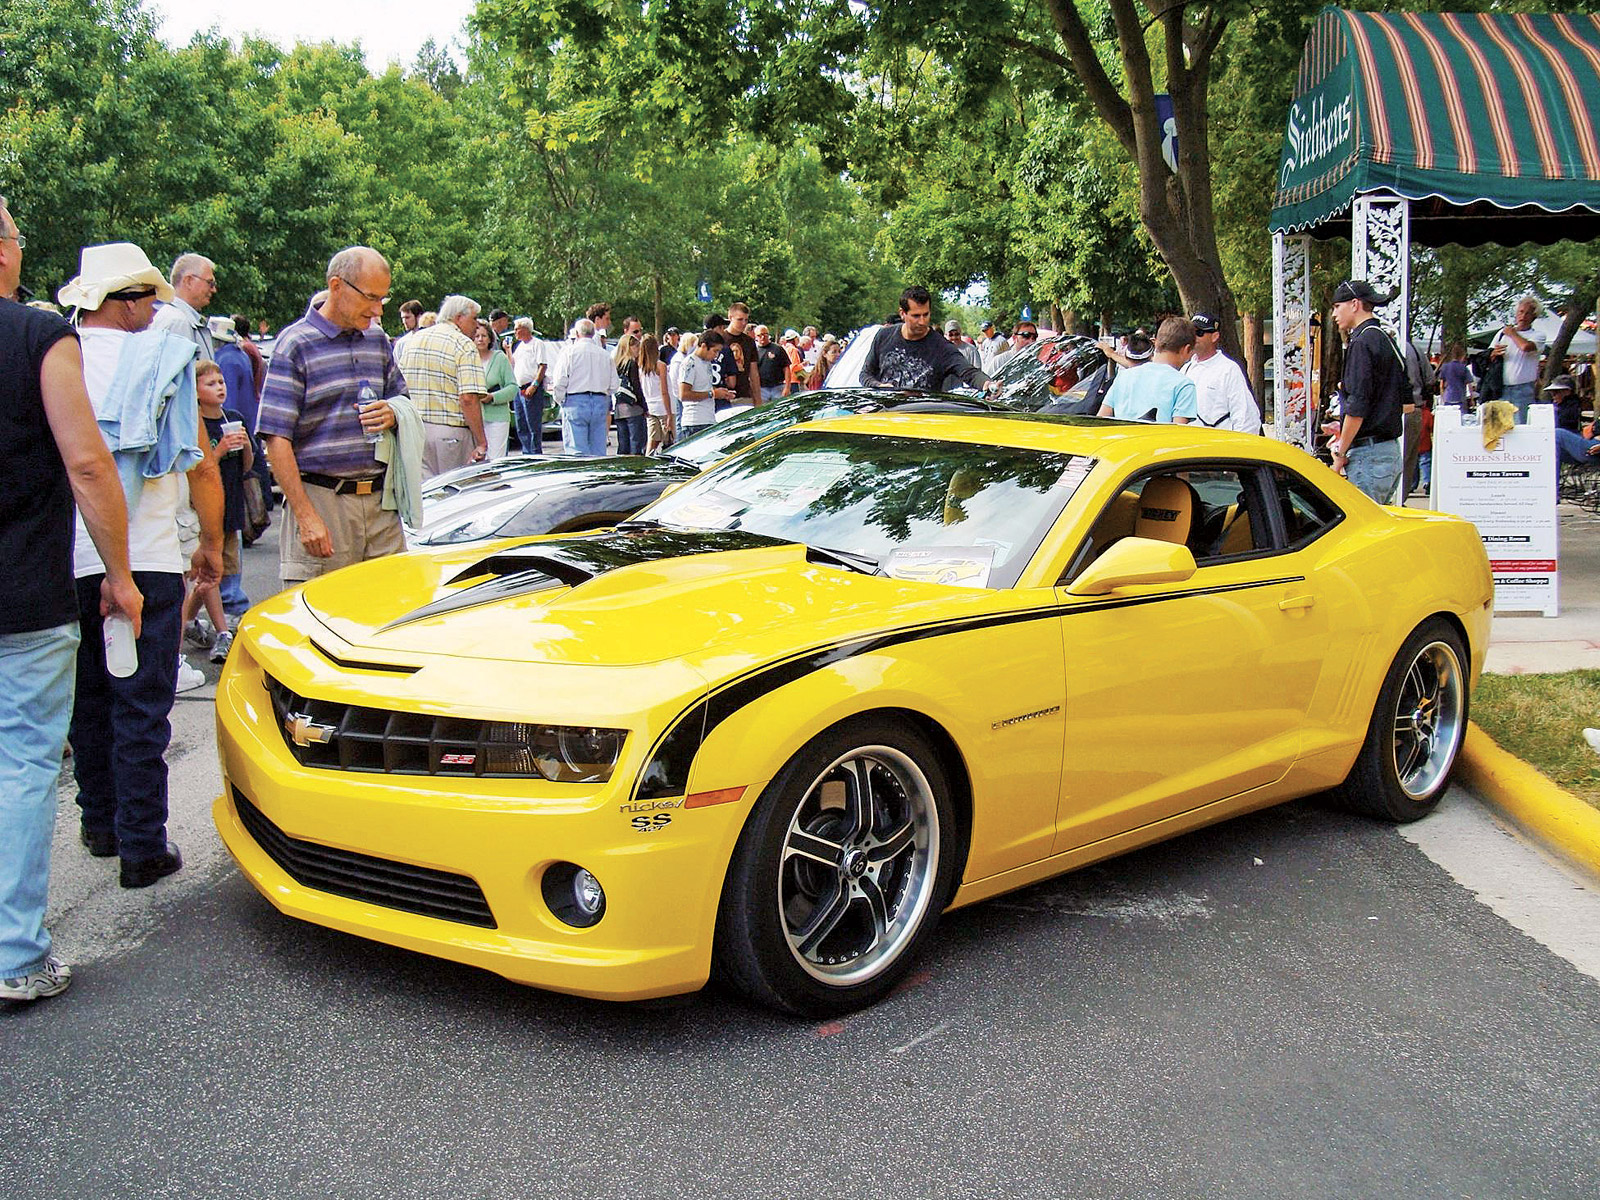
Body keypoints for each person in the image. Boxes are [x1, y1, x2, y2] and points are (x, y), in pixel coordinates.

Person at [0, 199, 143, 1002]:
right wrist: (119, 574)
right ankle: (14, 954)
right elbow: (88, 465)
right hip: (22, 590)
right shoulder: (36, 336)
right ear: (3, 253)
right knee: (22, 766)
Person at [56, 241, 225, 892]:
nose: (157, 310)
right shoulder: (163, 360)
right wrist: (209, 542)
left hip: (68, 554)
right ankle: (142, 847)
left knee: (87, 698)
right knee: (140, 705)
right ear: (122, 303)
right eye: (149, 297)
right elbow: (201, 461)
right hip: (145, 554)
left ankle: (99, 823)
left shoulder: (56, 358)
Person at [257, 247, 413, 587]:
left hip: (381, 505)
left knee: (390, 614)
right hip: (324, 503)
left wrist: (393, 411)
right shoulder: (295, 344)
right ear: (336, 286)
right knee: (322, 620)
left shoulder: (376, 339)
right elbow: (275, 437)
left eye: (383, 300)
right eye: (370, 297)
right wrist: (305, 515)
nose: (376, 310)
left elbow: (402, 399)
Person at [180, 359, 252, 662]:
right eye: (210, 384)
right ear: (195, 391)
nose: (219, 388)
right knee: (208, 572)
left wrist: (246, 445)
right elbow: (198, 469)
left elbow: (247, 467)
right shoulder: (194, 424)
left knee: (215, 573)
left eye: (221, 382)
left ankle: (183, 623)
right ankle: (222, 631)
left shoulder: (232, 417)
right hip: (203, 510)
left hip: (230, 505)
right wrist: (219, 449)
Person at [1328, 279, 1406, 502]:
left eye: (1337, 306)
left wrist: (1340, 452)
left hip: (1368, 454)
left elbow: (1358, 404)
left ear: (1354, 304)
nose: (1334, 314)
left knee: (1364, 532)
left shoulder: (1362, 342)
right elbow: (1407, 400)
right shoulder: (1384, 338)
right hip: (1388, 451)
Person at [396, 294, 489, 476]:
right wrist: (481, 441)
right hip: (451, 433)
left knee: (424, 496)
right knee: (454, 496)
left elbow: (400, 386)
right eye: (474, 318)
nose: (477, 324)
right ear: (458, 318)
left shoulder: (413, 340)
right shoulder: (463, 345)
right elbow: (468, 398)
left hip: (416, 430)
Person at [861, 286, 986, 391]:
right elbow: (865, 375)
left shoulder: (941, 347)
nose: (922, 321)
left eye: (926, 314)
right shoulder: (884, 336)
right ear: (902, 313)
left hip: (922, 416)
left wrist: (987, 384)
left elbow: (968, 372)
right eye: (916, 316)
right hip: (885, 415)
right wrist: (880, 386)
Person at [1098, 317, 1197, 424]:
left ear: (1155, 342)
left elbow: (1101, 419)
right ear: (1186, 349)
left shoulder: (1123, 376)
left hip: (1122, 439)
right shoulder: (1184, 385)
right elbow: (1179, 433)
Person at [1183, 312, 1260, 433]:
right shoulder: (1186, 370)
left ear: (1214, 336)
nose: (1194, 338)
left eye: (1199, 333)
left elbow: (1246, 417)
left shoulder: (1228, 370)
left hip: (1217, 447)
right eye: (1191, 333)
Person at [550, 317, 615, 456]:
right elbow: (614, 384)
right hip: (599, 400)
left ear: (577, 334)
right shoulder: (605, 355)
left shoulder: (569, 352)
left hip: (575, 400)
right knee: (598, 449)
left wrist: (561, 400)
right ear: (593, 334)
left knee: (576, 450)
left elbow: (559, 381)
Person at [149, 252, 217, 358]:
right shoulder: (178, 322)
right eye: (210, 283)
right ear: (188, 281)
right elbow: (177, 373)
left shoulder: (176, 318)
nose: (214, 290)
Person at [1490, 296, 1546, 422]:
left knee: (1520, 426)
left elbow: (1525, 347)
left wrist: (1512, 333)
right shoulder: (1501, 334)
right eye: (1521, 312)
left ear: (1534, 317)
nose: (1523, 316)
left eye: (1528, 313)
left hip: (1523, 388)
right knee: (1499, 427)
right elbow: (1489, 354)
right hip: (1501, 387)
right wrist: (1494, 354)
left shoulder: (1538, 335)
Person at [474, 318, 517, 460]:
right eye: (476, 336)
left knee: (493, 460)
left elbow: (512, 388)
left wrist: (493, 397)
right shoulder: (467, 359)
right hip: (474, 418)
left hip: (497, 418)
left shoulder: (499, 358)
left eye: (484, 336)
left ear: (490, 338)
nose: (480, 339)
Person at [678, 330, 732, 438]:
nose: (716, 355)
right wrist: (712, 394)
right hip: (695, 422)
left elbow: (703, 387)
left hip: (708, 419)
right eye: (714, 351)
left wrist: (721, 393)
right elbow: (683, 394)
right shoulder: (690, 363)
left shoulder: (707, 363)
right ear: (703, 346)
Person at [511, 318, 549, 454]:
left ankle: (535, 454)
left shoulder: (537, 344)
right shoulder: (519, 347)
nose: (515, 332)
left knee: (533, 424)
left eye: (517, 329)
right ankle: (526, 452)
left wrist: (534, 385)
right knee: (521, 424)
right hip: (518, 388)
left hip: (531, 387)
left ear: (526, 329)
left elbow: (542, 365)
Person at [612, 332, 649, 455]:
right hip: (633, 408)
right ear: (629, 347)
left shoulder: (616, 364)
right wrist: (644, 407)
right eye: (636, 347)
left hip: (619, 408)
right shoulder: (631, 363)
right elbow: (636, 387)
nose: (638, 350)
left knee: (623, 444)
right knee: (636, 443)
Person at [639, 332, 674, 452]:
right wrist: (669, 413)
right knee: (669, 440)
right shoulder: (661, 366)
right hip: (663, 407)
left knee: (652, 440)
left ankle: (647, 461)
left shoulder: (640, 368)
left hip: (650, 407)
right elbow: (664, 391)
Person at [724, 303, 763, 404]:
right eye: (740, 319)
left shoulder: (749, 342)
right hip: (723, 396)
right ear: (730, 317)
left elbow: (754, 373)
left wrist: (758, 400)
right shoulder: (720, 339)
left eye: (746, 320)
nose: (744, 323)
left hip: (744, 395)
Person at [666, 331, 697, 429]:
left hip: (685, 395)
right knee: (680, 421)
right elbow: (673, 380)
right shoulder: (678, 359)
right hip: (679, 396)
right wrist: (679, 395)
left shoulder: (687, 358)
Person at [754, 324, 790, 402]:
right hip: (761, 388)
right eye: (759, 335)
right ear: (756, 337)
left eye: (765, 334)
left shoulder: (778, 349)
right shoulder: (754, 351)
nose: (762, 337)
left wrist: (787, 387)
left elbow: (786, 368)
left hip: (778, 386)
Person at [1437, 343, 1472, 408]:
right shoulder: (1464, 368)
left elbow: (1441, 386)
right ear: (1462, 356)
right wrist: (1472, 400)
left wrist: (1442, 398)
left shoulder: (1445, 367)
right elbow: (1469, 385)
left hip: (1448, 397)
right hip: (1460, 398)